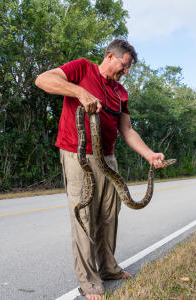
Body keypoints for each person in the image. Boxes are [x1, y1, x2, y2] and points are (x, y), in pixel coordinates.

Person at [35, 39, 167, 300]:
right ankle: (89, 282)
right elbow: (43, 80)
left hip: (108, 158)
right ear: (110, 57)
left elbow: (127, 130)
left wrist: (150, 154)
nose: (126, 72)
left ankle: (108, 268)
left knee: (109, 216)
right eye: (124, 65)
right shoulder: (82, 69)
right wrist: (79, 93)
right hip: (78, 154)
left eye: (129, 68)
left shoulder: (121, 93)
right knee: (85, 216)